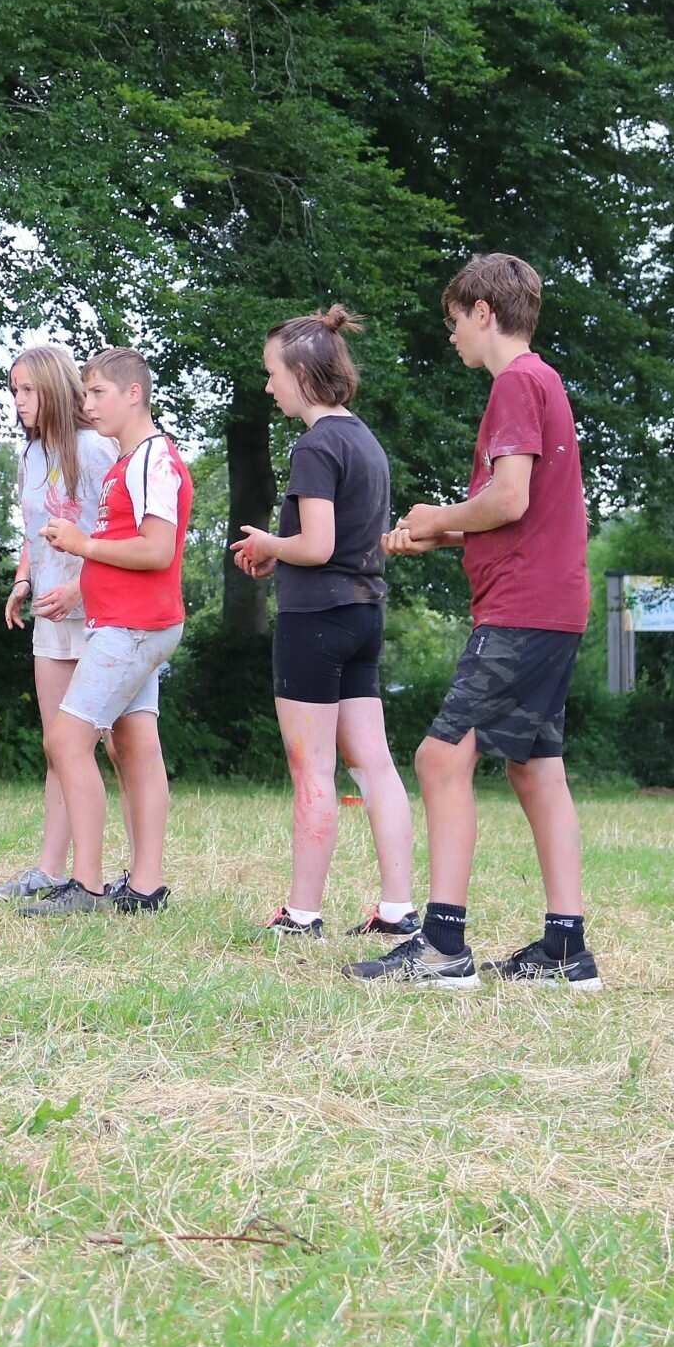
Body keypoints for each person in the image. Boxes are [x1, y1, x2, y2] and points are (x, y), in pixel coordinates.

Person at [350, 253, 600, 989]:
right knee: (536, 767)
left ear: (484, 313)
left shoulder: (515, 383)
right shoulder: (546, 380)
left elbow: (510, 498)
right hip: (554, 604)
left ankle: (442, 947)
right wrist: (444, 535)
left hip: (522, 607)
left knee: (440, 757)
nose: (452, 333)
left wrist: (436, 515)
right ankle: (565, 949)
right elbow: (526, 515)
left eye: (455, 320)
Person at [227, 308, 418, 943]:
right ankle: (398, 911)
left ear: (304, 374)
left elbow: (316, 544)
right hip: (364, 615)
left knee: (311, 770)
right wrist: (280, 554)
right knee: (375, 766)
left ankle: (302, 915)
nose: (268, 386)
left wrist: (269, 544)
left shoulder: (314, 445)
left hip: (315, 622)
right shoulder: (365, 441)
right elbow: (339, 544)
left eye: (272, 373)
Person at [23, 347, 191, 917]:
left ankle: (87, 885)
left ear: (133, 394)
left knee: (66, 742)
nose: (88, 404)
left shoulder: (152, 460)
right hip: (124, 623)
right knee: (135, 748)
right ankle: (145, 888)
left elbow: (157, 550)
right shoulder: (128, 460)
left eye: (98, 393)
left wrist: (82, 545)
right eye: (86, 393)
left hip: (133, 626)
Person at [0, 347, 126, 903]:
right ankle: (49, 870)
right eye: (13, 391)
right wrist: (24, 580)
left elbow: (117, 531)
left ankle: (138, 876)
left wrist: (80, 587)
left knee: (119, 747)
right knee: (59, 745)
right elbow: (35, 527)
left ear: (53, 387)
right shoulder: (31, 453)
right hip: (50, 614)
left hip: (100, 612)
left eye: (27, 390)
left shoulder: (95, 448)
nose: (19, 401)